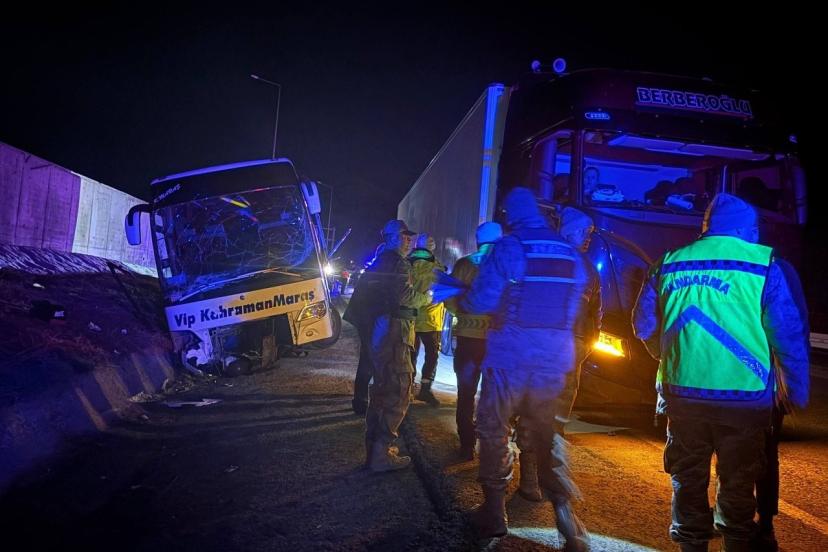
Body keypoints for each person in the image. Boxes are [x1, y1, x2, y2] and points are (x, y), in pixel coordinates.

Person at [632, 193, 810, 552]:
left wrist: (668, 355)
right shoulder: (764, 265)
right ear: (745, 229)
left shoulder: (669, 262)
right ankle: (736, 543)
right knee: (738, 482)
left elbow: (643, 325)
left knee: (687, 479)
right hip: (743, 399)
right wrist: (796, 389)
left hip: (683, 395)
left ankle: (691, 545)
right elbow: (787, 334)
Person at [463, 187, 595, 550]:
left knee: (494, 428)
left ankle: (494, 513)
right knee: (545, 434)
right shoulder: (569, 252)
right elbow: (572, 310)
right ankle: (566, 518)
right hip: (553, 361)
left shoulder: (510, 246)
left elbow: (481, 300)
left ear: (511, 215)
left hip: (510, 357)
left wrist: (466, 296)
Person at [515, 207, 601, 503]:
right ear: (568, 230)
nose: (588, 237)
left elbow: (595, 314)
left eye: (590, 233)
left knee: (556, 417)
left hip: (569, 355)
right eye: (584, 231)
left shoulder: (589, 269)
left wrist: (586, 345)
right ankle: (529, 478)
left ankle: (545, 475)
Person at [361, 219, 433, 472]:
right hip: (395, 332)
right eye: (403, 235)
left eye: (409, 236)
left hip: (381, 330)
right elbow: (405, 296)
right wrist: (427, 297)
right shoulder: (398, 263)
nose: (408, 240)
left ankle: (374, 451)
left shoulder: (381, 260)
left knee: (381, 390)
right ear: (391, 237)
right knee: (399, 390)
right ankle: (381, 455)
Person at [444, 221, 503, 460]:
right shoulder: (503, 265)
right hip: (496, 341)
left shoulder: (464, 264)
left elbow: (449, 299)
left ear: (478, 240)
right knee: (493, 394)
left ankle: (466, 445)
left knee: (466, 393)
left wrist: (464, 313)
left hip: (468, 339)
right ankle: (490, 446)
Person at [343, 242, 387, 415]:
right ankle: (362, 402)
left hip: (367, 321)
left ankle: (362, 400)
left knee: (368, 360)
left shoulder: (374, 271)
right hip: (370, 322)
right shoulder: (378, 272)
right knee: (369, 361)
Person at [409, 233, 447, 407]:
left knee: (410, 355)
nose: (433, 242)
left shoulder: (407, 262)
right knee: (432, 356)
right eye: (430, 241)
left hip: (410, 316)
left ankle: (407, 389)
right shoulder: (436, 266)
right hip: (431, 318)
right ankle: (425, 390)